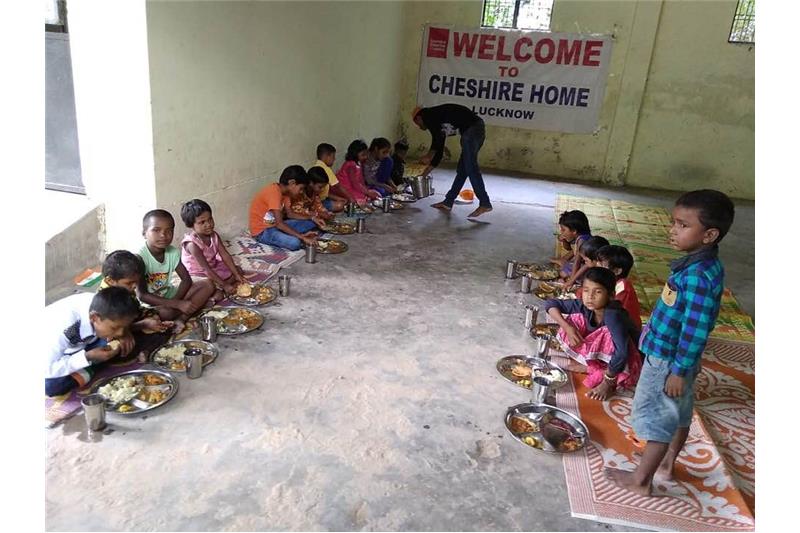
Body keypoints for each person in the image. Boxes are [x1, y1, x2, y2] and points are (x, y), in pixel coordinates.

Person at [606, 189, 735, 496]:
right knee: (677, 412)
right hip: (677, 357)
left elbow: (695, 330)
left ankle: (641, 480)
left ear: (709, 234)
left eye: (682, 225)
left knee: (657, 418)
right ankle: (664, 465)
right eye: (673, 223)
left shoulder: (696, 278)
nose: (672, 230)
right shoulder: (701, 266)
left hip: (669, 359)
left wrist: (679, 370)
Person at [545, 267, 642, 400]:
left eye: (598, 292)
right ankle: (593, 366)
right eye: (586, 290)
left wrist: (607, 382)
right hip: (614, 356)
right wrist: (567, 327)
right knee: (574, 320)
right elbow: (551, 303)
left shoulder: (612, 315)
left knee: (606, 333)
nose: (590, 296)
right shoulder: (585, 305)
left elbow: (622, 353)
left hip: (631, 360)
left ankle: (606, 375)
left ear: (611, 295)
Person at [45, 287, 141, 396]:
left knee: (125, 344)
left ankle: (91, 366)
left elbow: (123, 320)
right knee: (51, 386)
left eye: (123, 327)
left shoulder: (104, 306)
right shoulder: (65, 327)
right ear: (94, 318)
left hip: (89, 343)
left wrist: (126, 331)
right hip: (56, 355)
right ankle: (95, 363)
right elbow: (47, 368)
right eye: (115, 328)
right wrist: (88, 357)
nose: (120, 333)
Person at [138, 209, 215, 332]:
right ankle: (193, 307)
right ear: (144, 233)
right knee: (166, 313)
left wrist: (177, 301)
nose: (163, 235)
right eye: (156, 230)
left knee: (208, 285)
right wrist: (176, 304)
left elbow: (186, 280)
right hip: (152, 305)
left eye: (169, 230)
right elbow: (142, 295)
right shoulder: (140, 258)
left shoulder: (172, 252)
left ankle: (182, 318)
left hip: (171, 295)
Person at [411, 103, 491, 218]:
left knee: (471, 168)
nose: (419, 127)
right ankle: (448, 202)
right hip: (476, 130)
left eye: (417, 123)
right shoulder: (437, 120)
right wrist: (425, 173)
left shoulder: (428, 116)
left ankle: (485, 202)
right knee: (463, 170)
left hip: (472, 132)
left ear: (418, 118)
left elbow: (436, 142)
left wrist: (428, 156)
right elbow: (439, 146)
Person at [99, 250, 175, 360]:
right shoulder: (106, 301)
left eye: (136, 282)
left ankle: (146, 348)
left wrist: (152, 320)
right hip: (117, 332)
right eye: (129, 283)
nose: (134, 286)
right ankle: (146, 350)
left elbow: (136, 311)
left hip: (132, 321)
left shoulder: (125, 289)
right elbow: (113, 331)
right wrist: (143, 324)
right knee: (117, 346)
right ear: (110, 280)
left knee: (165, 317)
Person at [180, 199, 247, 301]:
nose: (209, 224)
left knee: (238, 270)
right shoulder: (192, 244)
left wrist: (237, 275)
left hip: (212, 267)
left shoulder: (214, 235)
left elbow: (225, 255)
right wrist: (225, 285)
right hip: (197, 274)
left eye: (210, 219)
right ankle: (216, 291)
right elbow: (205, 269)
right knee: (214, 291)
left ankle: (219, 287)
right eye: (202, 222)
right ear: (191, 225)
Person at [249, 165, 320, 251]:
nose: (301, 192)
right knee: (295, 243)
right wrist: (302, 237)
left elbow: (290, 214)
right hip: (263, 231)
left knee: (310, 223)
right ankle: (294, 236)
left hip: (276, 226)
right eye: (301, 188)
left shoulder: (286, 193)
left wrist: (312, 218)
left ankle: (292, 234)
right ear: (292, 183)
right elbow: (280, 224)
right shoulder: (273, 192)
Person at [596, 244, 643, 330]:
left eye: (601, 267)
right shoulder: (610, 282)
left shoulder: (623, 287)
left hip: (627, 330)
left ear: (617, 271)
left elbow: (612, 313)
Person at [336, 139, 380, 209]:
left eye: (366, 154)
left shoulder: (359, 163)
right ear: (354, 154)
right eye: (363, 155)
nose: (365, 157)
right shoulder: (350, 165)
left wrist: (367, 190)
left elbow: (361, 180)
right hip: (346, 188)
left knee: (374, 193)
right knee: (361, 198)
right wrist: (367, 193)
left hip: (354, 187)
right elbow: (355, 183)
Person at [550, 210, 591, 279]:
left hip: (590, 269)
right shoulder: (581, 235)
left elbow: (577, 262)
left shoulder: (582, 241)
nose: (561, 231)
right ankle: (563, 260)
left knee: (562, 273)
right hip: (584, 263)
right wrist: (564, 240)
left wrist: (571, 280)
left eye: (563, 230)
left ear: (574, 231)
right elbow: (569, 248)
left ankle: (563, 262)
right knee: (574, 254)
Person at [313, 143, 350, 212]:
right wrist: (351, 199)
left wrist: (338, 198)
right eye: (333, 157)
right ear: (327, 156)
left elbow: (324, 193)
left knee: (341, 200)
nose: (334, 159)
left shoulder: (316, 166)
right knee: (340, 205)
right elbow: (339, 187)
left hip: (323, 199)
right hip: (319, 202)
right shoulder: (325, 169)